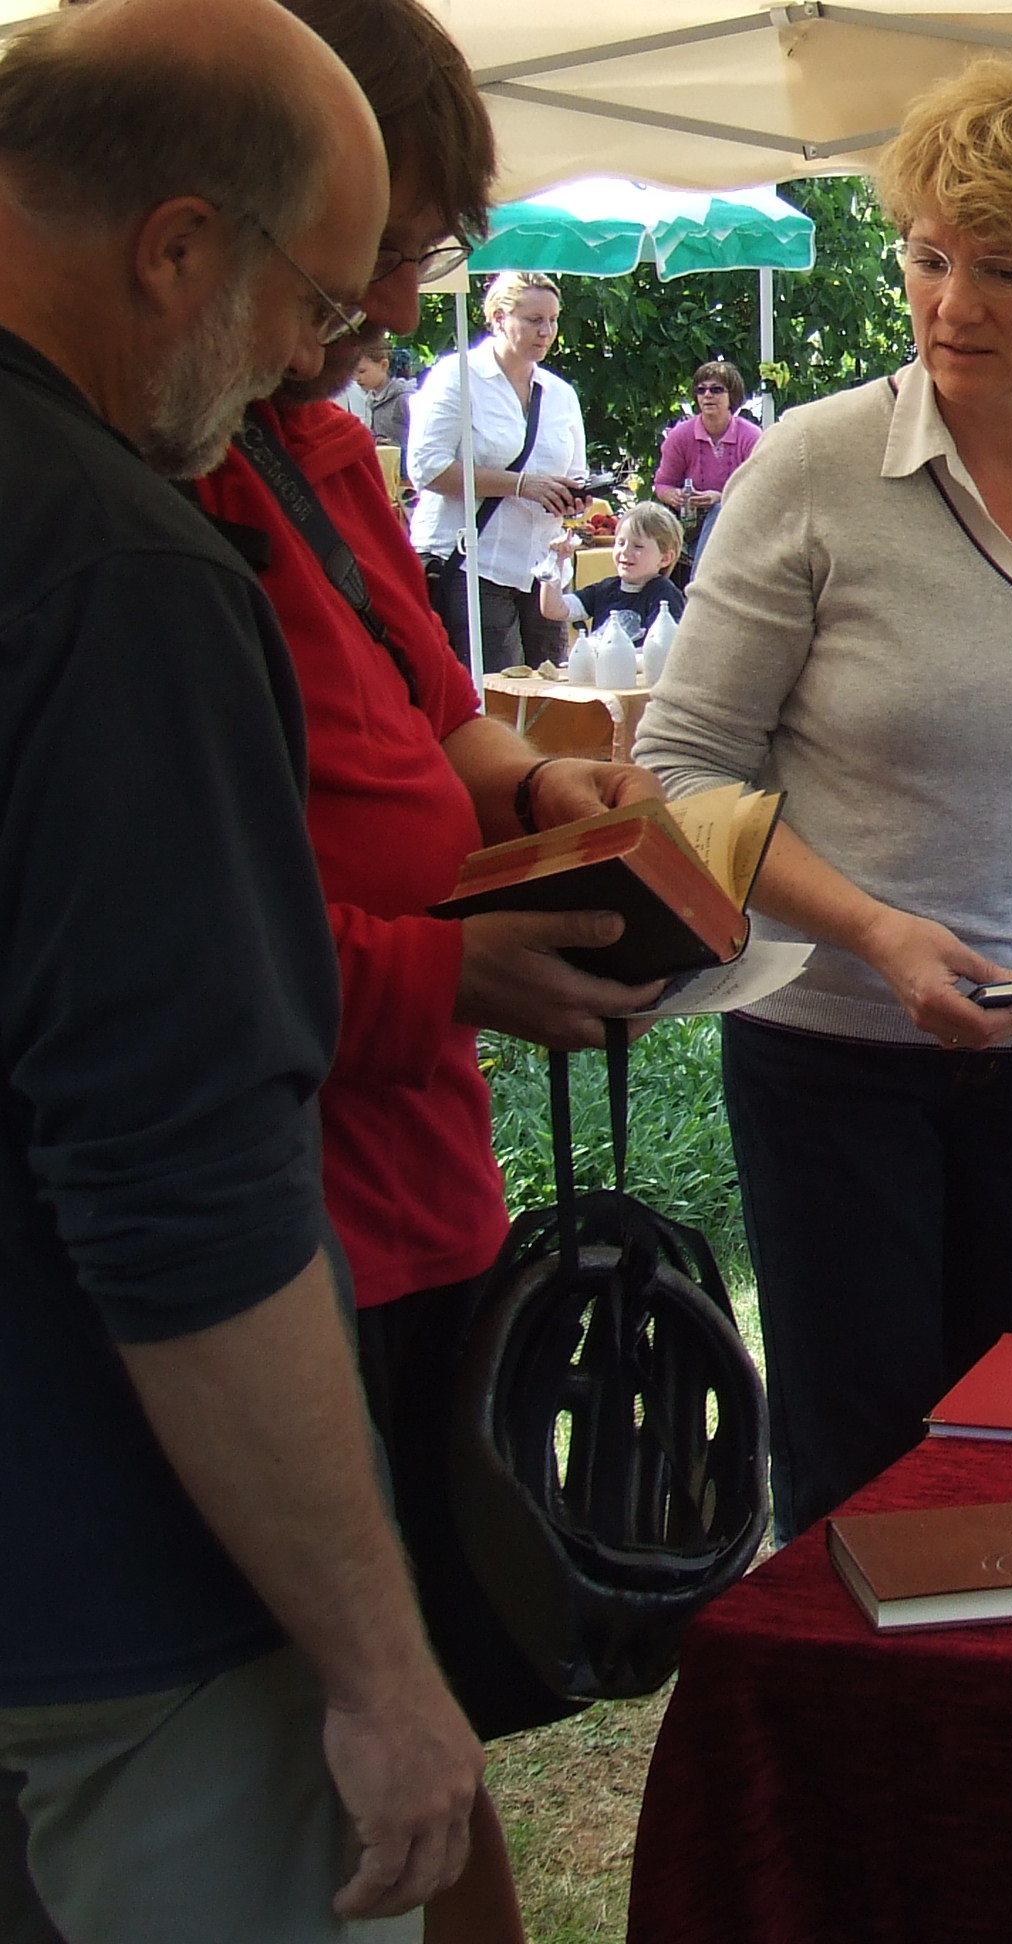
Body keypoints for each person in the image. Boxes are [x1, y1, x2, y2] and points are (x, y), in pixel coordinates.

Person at [0, 3, 487, 1938]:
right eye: (308, 289)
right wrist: (377, 1660)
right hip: (130, 1590)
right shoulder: (116, 565)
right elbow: (180, 1177)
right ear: (178, 244)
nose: (314, 351)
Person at [189, 1, 670, 1937]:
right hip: (283, 1229)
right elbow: (173, 949)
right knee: (342, 1739)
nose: (397, 301)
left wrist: (546, 796)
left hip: (415, 1191)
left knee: (444, 1707)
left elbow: (425, 713)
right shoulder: (144, 483)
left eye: (421, 253)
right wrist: (443, 977)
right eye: (377, 252)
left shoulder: (306, 443)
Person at [637, 60, 1012, 1538]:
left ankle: (1008, 1760)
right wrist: (875, 931)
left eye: (1004, 268)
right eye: (926, 256)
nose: (952, 303)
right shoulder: (816, 467)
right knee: (861, 1482)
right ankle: (852, 1767)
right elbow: (679, 770)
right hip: (835, 1055)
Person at [408, 269, 588, 671]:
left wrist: (574, 497)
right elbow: (426, 468)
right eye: (533, 320)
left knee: (548, 693)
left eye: (553, 320)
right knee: (496, 692)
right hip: (473, 559)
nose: (546, 331)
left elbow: (574, 471)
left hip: (542, 567)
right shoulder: (456, 377)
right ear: (499, 319)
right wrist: (521, 485)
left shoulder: (559, 393)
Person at [650, 358, 761, 577]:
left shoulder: (751, 437)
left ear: (732, 396)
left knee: (720, 511)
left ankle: (699, 582)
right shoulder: (681, 435)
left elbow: (760, 490)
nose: (707, 395)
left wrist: (720, 497)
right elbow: (662, 484)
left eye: (716, 389)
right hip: (689, 526)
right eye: (701, 390)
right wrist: (673, 495)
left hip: (741, 524)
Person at [540, 501, 687, 637]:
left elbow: (666, 647)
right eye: (621, 543)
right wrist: (555, 561)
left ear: (665, 558)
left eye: (638, 546)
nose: (625, 551)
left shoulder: (665, 594)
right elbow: (554, 610)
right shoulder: (605, 589)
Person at [338, 339, 411, 445]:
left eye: (361, 371)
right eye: (352, 372)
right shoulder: (370, 398)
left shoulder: (403, 399)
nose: (356, 378)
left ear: (384, 365)